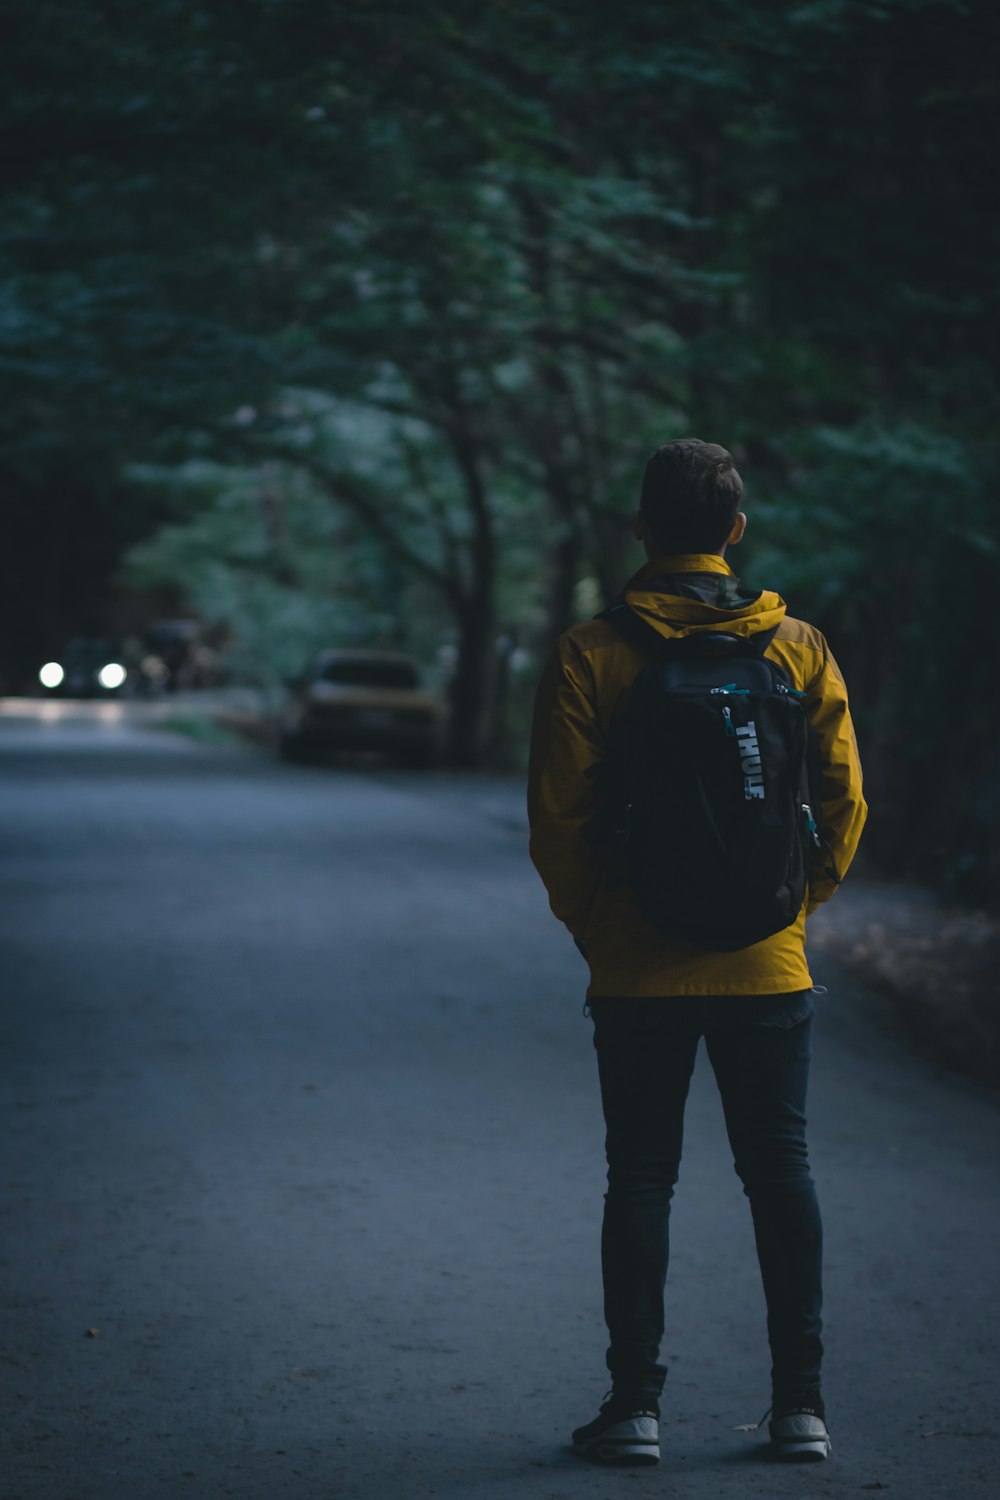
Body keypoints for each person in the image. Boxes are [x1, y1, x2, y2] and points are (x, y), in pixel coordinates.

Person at [527, 438, 867, 1466]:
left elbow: (557, 819)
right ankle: (799, 1408)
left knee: (640, 1178)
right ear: (734, 531)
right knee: (781, 1173)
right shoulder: (797, 648)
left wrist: (598, 923)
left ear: (640, 530)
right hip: (770, 963)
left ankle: (634, 1407)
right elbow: (844, 803)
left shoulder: (593, 651)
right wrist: (791, 910)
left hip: (637, 960)